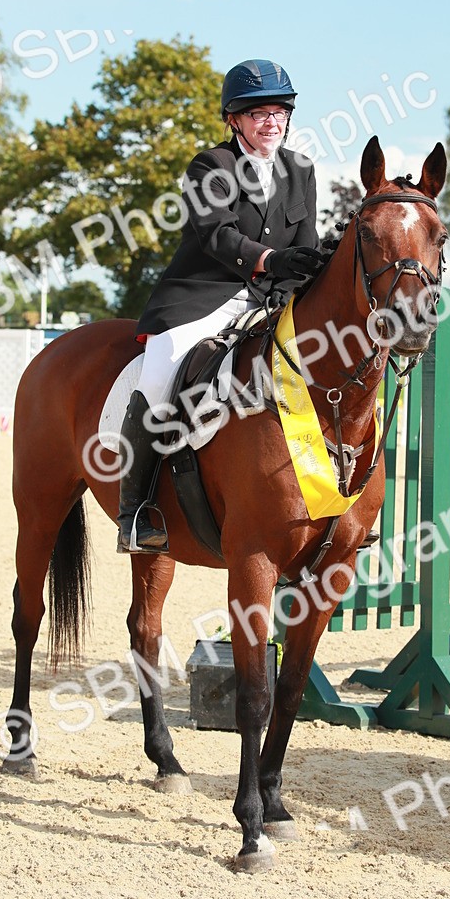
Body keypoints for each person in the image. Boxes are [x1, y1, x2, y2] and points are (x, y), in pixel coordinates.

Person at [117, 58, 323, 552]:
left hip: (270, 302)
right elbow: (217, 236)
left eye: (279, 111)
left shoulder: (301, 170)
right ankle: (135, 510)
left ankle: (329, 501)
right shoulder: (211, 166)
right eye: (258, 114)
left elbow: (308, 242)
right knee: (160, 374)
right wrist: (273, 259)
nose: (270, 121)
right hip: (204, 297)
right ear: (234, 119)